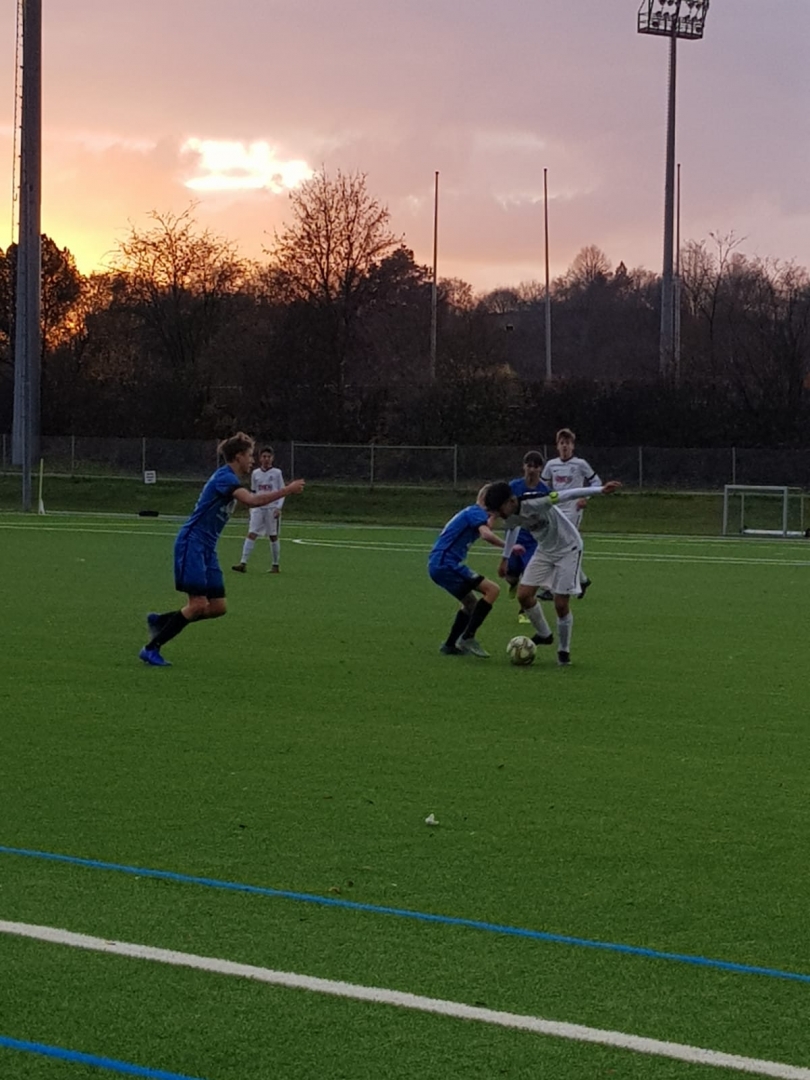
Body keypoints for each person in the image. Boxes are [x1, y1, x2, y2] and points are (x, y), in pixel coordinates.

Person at [139, 433, 305, 667]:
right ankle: (151, 649)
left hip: (207, 547)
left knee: (217, 607)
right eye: (249, 455)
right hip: (192, 543)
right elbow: (252, 501)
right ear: (238, 457)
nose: (253, 460)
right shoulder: (224, 477)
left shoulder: (230, 478)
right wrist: (287, 490)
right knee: (198, 604)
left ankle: (162, 621)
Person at [484, 477, 621, 666]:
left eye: (499, 510)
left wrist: (600, 490)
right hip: (544, 550)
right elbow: (512, 530)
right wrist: (505, 559)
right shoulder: (510, 515)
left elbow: (567, 495)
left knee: (560, 604)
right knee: (524, 596)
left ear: (511, 501)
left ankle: (563, 652)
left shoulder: (536, 500)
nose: (499, 515)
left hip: (568, 548)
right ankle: (544, 634)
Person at [428, 486, 522, 658]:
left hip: (439, 563)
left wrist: (496, 513)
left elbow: (487, 524)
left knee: (471, 604)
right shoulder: (475, 512)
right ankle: (468, 638)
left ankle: (449, 645)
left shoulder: (473, 512)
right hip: (445, 564)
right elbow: (486, 534)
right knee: (492, 590)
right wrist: (509, 547)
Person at [541, 428, 602, 598]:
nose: (564, 446)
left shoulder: (580, 464)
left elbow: (596, 482)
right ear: (557, 446)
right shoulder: (551, 465)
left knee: (561, 543)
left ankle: (552, 588)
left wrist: (585, 497)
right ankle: (582, 580)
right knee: (560, 545)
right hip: (556, 509)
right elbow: (543, 485)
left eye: (567, 443)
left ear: (573, 446)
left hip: (573, 510)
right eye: (562, 443)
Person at [504, 451, 551, 636]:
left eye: (536, 466)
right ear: (524, 467)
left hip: (533, 540)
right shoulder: (514, 486)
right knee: (511, 576)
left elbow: (549, 513)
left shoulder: (544, 490)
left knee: (529, 577)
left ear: (540, 469)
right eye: (529, 466)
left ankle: (523, 611)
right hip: (515, 537)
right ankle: (513, 584)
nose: (532, 470)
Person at [232, 446, 286, 574]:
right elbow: (254, 491)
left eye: (269, 457)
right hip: (258, 508)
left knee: (273, 536)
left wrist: (278, 507)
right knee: (252, 533)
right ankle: (243, 563)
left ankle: (275, 565)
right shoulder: (255, 473)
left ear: (272, 458)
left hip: (271, 508)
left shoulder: (277, 473)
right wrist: (252, 505)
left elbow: (282, 492)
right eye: (264, 456)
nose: (266, 459)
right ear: (260, 458)